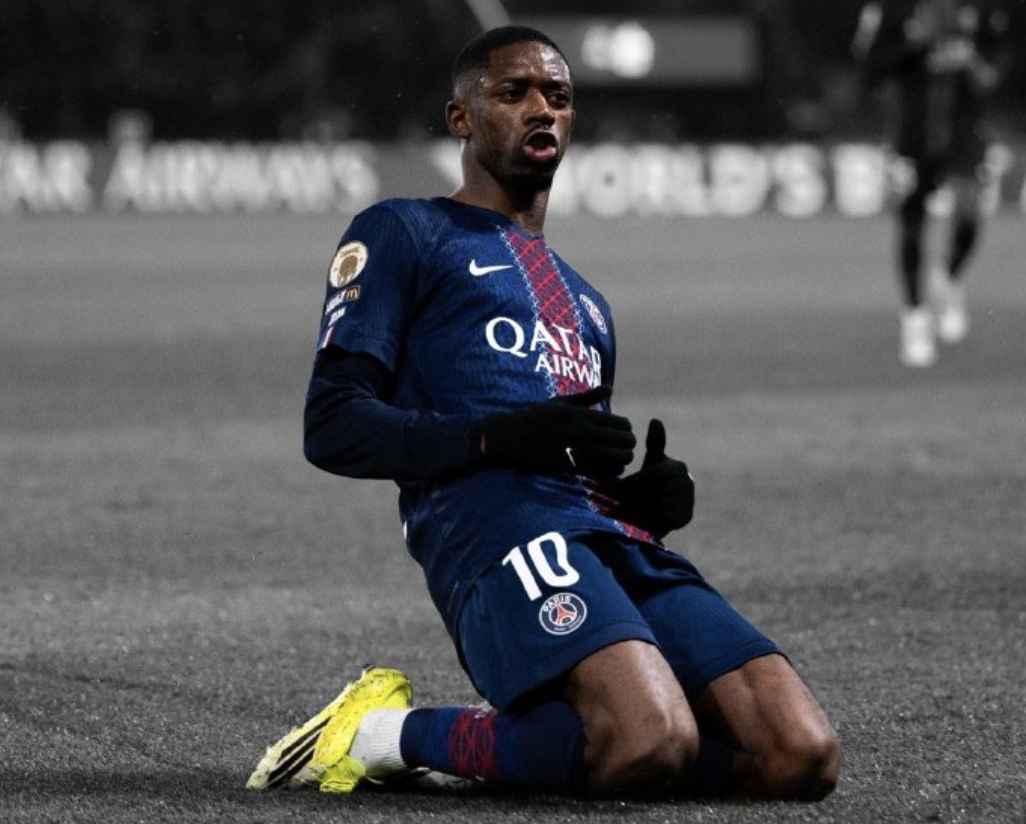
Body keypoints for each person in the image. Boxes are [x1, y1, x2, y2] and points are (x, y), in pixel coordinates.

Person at [246, 25, 840, 801]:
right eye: (513, 92)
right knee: (648, 741)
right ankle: (377, 736)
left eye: (558, 96)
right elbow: (332, 425)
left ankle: (574, 737)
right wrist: (498, 436)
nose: (541, 109)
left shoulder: (588, 304)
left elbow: (568, 461)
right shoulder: (404, 231)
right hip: (496, 535)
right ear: (461, 118)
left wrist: (642, 502)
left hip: (614, 541)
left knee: (800, 754)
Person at [852, 0, 1011, 367]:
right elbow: (869, 72)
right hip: (913, 134)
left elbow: (993, 72)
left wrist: (973, 60)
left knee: (969, 214)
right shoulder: (890, 11)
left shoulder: (980, 9)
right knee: (911, 225)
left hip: (964, 133)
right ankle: (914, 318)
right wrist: (913, 44)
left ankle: (949, 278)